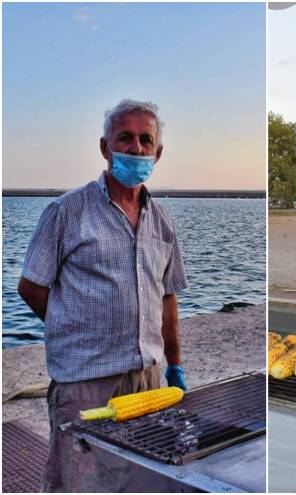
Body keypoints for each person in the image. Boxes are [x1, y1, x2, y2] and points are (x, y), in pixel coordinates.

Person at [18, 99, 189, 491]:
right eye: (125, 138)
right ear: (105, 147)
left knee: (145, 480)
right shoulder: (66, 211)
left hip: (148, 379)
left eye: (146, 140)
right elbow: (30, 286)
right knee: (81, 482)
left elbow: (168, 297)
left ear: (158, 153)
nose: (136, 148)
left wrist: (175, 366)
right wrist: (75, 325)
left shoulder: (161, 220)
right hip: (85, 381)